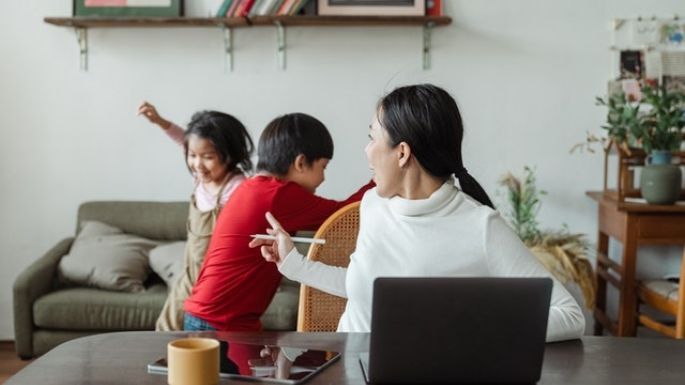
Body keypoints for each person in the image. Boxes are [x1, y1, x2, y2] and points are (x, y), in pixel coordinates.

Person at [250, 84, 586, 343]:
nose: (367, 151)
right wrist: (293, 264)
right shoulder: (373, 205)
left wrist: (471, 326)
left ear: (402, 153)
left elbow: (569, 315)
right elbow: (365, 288)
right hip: (348, 371)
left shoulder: (480, 226)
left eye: (371, 138)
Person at [183, 112, 375, 332]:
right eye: (323, 167)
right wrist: (381, 175)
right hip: (219, 322)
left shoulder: (254, 187)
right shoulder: (277, 195)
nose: (323, 178)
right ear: (301, 163)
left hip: (212, 316)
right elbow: (343, 216)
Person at [138, 101, 254, 331]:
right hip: (189, 274)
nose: (197, 164)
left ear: (229, 155)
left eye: (208, 157)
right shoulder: (202, 178)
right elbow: (186, 140)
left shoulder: (237, 189)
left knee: (193, 338)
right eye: (192, 156)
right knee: (165, 329)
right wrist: (161, 122)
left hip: (213, 283)